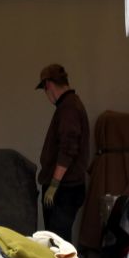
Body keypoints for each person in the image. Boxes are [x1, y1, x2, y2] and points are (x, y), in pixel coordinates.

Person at [35, 63, 91, 242]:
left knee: (58, 244)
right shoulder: (70, 105)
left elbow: (68, 148)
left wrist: (54, 184)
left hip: (64, 190)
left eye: (44, 89)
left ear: (48, 85)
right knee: (57, 241)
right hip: (67, 188)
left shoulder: (68, 108)